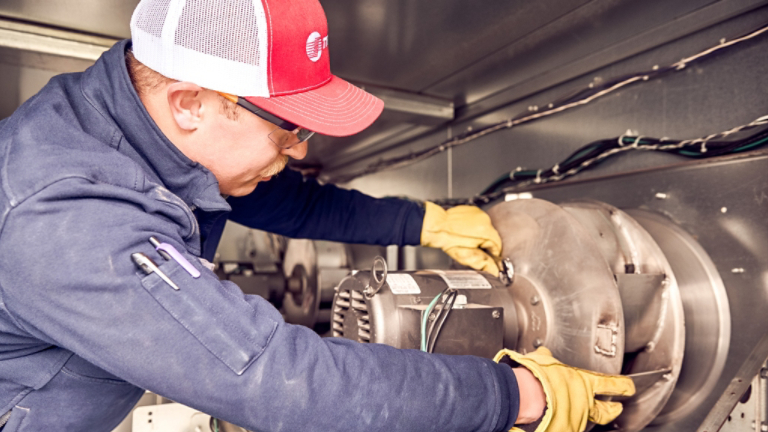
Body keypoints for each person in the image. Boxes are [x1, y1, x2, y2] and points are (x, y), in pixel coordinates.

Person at [0, 0, 634, 430]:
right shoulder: (72, 217)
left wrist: (425, 223)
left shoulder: (137, 118)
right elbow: (276, 378)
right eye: (287, 127)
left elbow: (271, 192)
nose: (301, 149)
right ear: (191, 103)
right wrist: (518, 395)